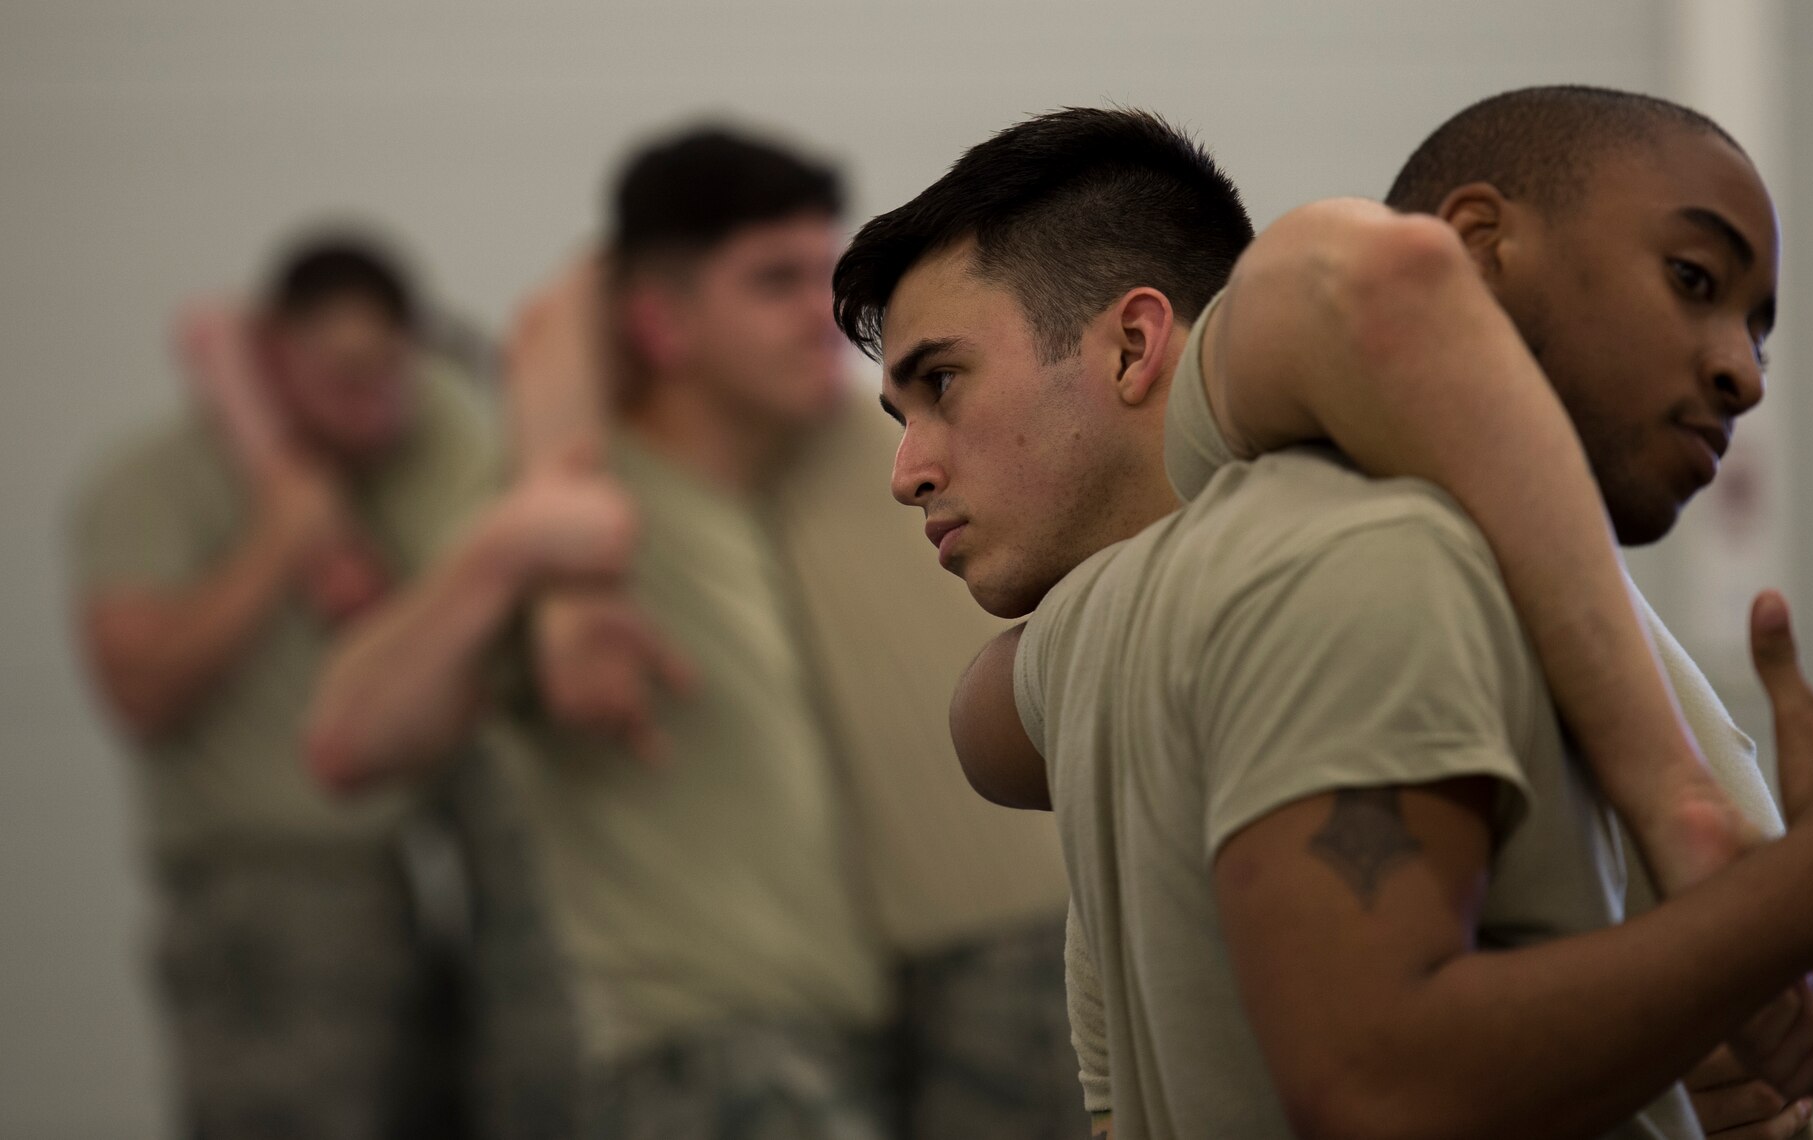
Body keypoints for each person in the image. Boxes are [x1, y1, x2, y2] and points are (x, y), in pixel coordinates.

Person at [831, 97, 1813, 1139]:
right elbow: (1376, 1092)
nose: (1740, 374)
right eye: (1689, 279)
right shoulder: (1316, 561)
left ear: (1128, 347)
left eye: (942, 383)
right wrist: (1788, 882)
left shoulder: (1330, 549)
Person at [309, 127, 1079, 1139]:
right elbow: (346, 741)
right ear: (660, 324)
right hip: (712, 1059)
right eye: (772, 281)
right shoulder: (575, 518)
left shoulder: (832, 462)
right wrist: (517, 554)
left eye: (823, 270)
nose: (822, 313)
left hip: (889, 1029)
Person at [70, 235, 491, 1139]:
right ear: (273, 357)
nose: (371, 396)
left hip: (394, 882)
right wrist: (278, 540)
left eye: (389, 370)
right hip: (259, 891)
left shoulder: (399, 462)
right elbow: (139, 689)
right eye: (341, 370)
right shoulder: (152, 484)